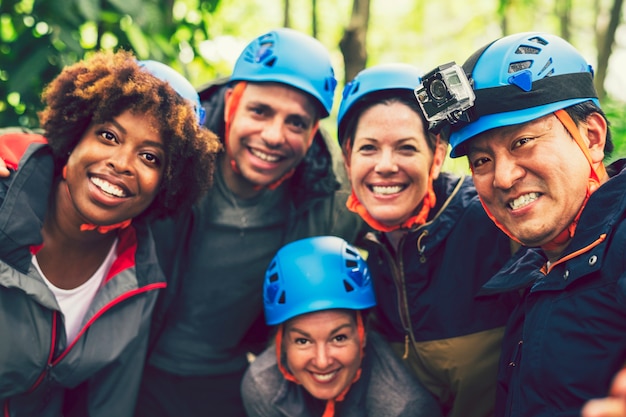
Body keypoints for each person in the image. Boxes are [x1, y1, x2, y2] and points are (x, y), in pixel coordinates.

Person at [135, 28, 362, 417]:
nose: (273, 136)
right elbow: (83, 149)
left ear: (312, 134)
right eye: (260, 112)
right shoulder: (172, 147)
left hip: (234, 380)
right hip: (128, 364)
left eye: (295, 123)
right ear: (232, 102)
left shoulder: (331, 196)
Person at [0, 50, 220, 417]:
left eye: (150, 157)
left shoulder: (141, 281)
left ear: (166, 185)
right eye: (108, 135)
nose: (121, 163)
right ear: (74, 136)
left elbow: (111, 405)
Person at [423, 31, 626, 416]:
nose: (502, 177)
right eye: (481, 161)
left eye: (522, 141)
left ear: (592, 136)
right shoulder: (539, 274)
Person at [336, 63, 519, 417]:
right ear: (347, 158)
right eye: (368, 148)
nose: (385, 165)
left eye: (405, 148)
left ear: (436, 155)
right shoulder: (363, 250)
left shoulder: (493, 218)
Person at [241, 235, 442, 417]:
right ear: (282, 342)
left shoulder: (403, 408)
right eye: (302, 341)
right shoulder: (264, 386)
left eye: (339, 338)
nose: (322, 362)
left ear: (363, 333)